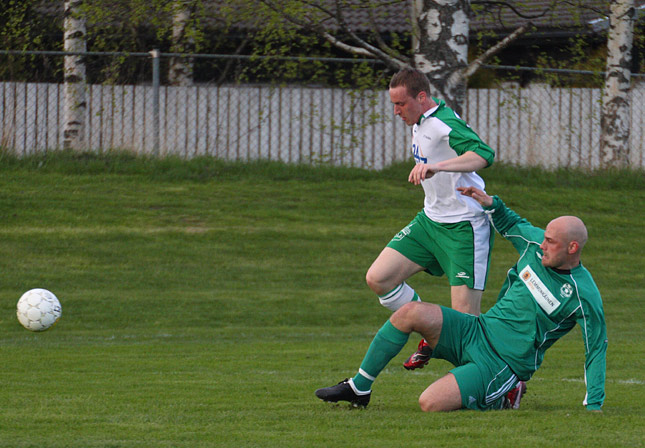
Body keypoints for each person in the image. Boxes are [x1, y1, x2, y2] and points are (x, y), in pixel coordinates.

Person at [316, 187, 607, 411]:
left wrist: (594, 405)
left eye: (551, 242)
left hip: (502, 363)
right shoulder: (534, 244)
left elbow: (595, 348)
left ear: (572, 247)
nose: (542, 245)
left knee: (429, 403)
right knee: (410, 313)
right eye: (543, 238)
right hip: (476, 330)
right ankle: (359, 388)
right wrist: (490, 202)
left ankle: (504, 394)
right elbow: (510, 222)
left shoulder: (584, 295)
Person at [366, 68, 496, 370]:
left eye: (401, 104)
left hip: (464, 227)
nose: (397, 111)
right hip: (429, 222)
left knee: (466, 324)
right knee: (379, 278)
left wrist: (439, 167)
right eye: (394, 105)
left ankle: (506, 382)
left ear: (421, 97)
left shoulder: (441, 122)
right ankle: (430, 328)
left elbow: (484, 154)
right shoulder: (420, 120)